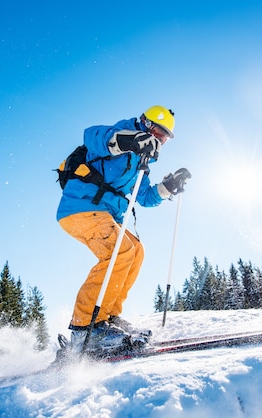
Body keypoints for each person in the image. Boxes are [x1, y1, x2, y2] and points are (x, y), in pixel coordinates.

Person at [56, 105, 191, 355]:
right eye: (159, 135)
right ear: (147, 126)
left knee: (136, 251)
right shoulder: (121, 134)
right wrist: (132, 140)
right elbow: (93, 136)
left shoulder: (141, 161)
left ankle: (107, 317)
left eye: (165, 140)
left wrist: (169, 186)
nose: (161, 142)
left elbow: (146, 197)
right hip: (81, 207)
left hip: (104, 214)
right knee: (121, 251)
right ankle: (85, 328)